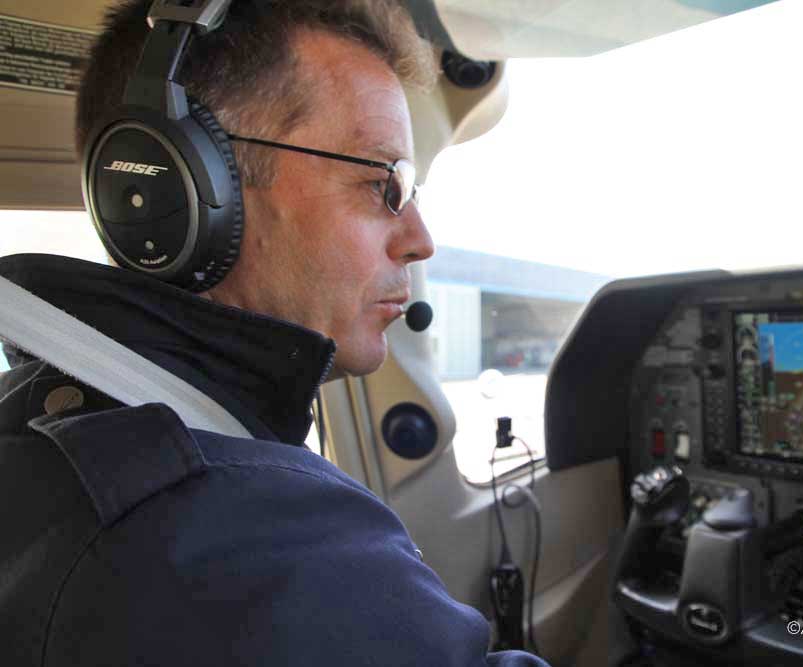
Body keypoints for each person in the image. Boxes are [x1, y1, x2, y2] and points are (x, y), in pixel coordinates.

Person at [0, 1, 547, 665]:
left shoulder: (36, 412)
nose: (420, 240)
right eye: (383, 183)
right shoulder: (256, 540)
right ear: (194, 183)